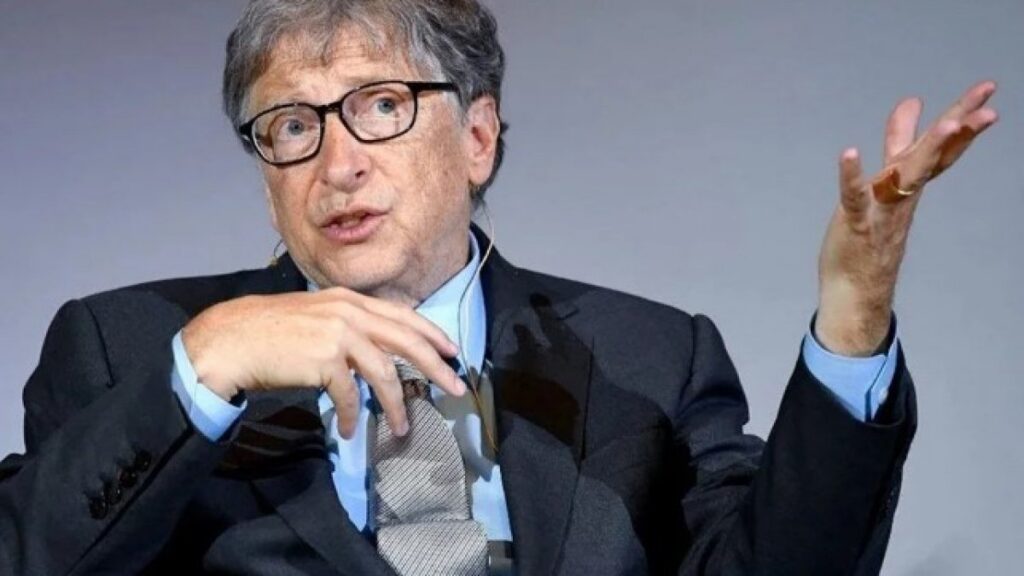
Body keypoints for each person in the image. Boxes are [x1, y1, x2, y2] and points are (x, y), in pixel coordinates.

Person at [0, 1, 999, 575]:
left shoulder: (649, 357)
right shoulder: (134, 349)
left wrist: (854, 313)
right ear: (267, 177)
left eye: (380, 106)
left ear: (476, 140)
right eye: (293, 126)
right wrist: (205, 366)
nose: (337, 164)